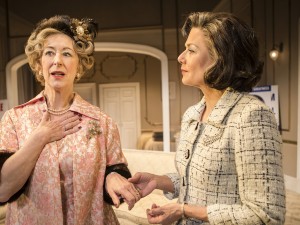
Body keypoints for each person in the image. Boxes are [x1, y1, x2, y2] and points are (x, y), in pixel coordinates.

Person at [129, 11, 286, 225]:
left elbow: (266, 215)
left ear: (220, 58)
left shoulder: (251, 116)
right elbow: (196, 182)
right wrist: (158, 181)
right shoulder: (192, 115)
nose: (180, 57)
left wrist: (185, 211)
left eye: (191, 50)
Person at [0, 15, 141, 225]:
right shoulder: (14, 119)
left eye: (67, 54)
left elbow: (115, 170)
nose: (57, 60)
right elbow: (3, 190)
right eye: (49, 53)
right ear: (39, 64)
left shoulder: (102, 122)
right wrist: (39, 137)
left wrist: (113, 177)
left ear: (79, 66)